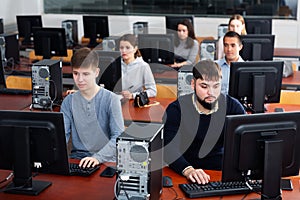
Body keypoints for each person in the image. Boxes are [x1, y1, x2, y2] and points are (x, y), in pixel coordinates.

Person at [163, 59, 246, 184]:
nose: (211, 93)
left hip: (221, 170)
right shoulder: (176, 109)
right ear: (193, 84)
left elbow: (245, 146)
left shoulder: (233, 107)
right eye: (204, 86)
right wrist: (188, 170)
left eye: (216, 86)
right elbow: (169, 148)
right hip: (186, 169)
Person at [61, 47, 124, 168]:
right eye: (76, 73)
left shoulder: (111, 99)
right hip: (78, 159)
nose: (80, 79)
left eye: (85, 74)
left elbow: (118, 137)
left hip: (106, 160)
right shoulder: (68, 102)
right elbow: (62, 135)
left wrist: (97, 158)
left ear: (96, 72)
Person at [119, 34, 157, 100]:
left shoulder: (143, 66)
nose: (124, 51)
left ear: (135, 49)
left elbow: (153, 91)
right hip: (117, 101)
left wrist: (133, 95)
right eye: (121, 48)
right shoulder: (115, 64)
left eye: (127, 48)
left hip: (134, 102)